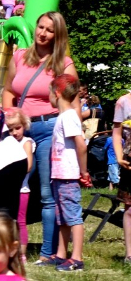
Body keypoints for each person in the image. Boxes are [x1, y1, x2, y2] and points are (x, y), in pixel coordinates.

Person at [1, 11, 77, 263]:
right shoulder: (20, 56)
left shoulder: (64, 64)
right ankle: (7, 245)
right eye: (40, 27)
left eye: (49, 30)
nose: (42, 33)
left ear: (58, 35)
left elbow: (72, 103)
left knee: (46, 193)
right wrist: (10, 117)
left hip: (48, 129)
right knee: (12, 186)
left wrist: (73, 136)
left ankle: (48, 253)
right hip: (19, 130)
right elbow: (8, 90)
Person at [47, 76, 89, 271]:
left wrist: (83, 171)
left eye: (49, 93)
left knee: (73, 216)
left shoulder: (69, 116)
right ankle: (61, 254)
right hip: (60, 174)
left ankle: (77, 258)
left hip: (68, 175)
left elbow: (81, 145)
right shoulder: (63, 116)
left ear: (57, 93)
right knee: (62, 217)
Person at [113, 88, 131, 266]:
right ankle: (129, 255)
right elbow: (117, 132)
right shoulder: (123, 102)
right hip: (129, 162)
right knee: (130, 209)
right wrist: (119, 157)